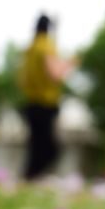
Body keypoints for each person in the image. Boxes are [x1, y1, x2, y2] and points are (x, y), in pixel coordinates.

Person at [18, 14, 75, 180]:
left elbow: (21, 79)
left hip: (31, 103)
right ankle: (31, 178)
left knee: (36, 146)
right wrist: (71, 63)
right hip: (45, 104)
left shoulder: (30, 49)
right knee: (48, 149)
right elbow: (55, 73)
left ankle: (29, 178)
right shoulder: (45, 46)